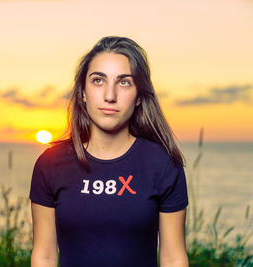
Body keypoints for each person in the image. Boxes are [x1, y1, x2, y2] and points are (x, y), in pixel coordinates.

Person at [29, 36, 189, 267]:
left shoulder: (163, 164)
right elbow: (44, 256)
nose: (109, 96)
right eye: (98, 81)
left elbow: (173, 258)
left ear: (138, 97)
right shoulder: (50, 164)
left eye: (124, 82)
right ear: (83, 93)